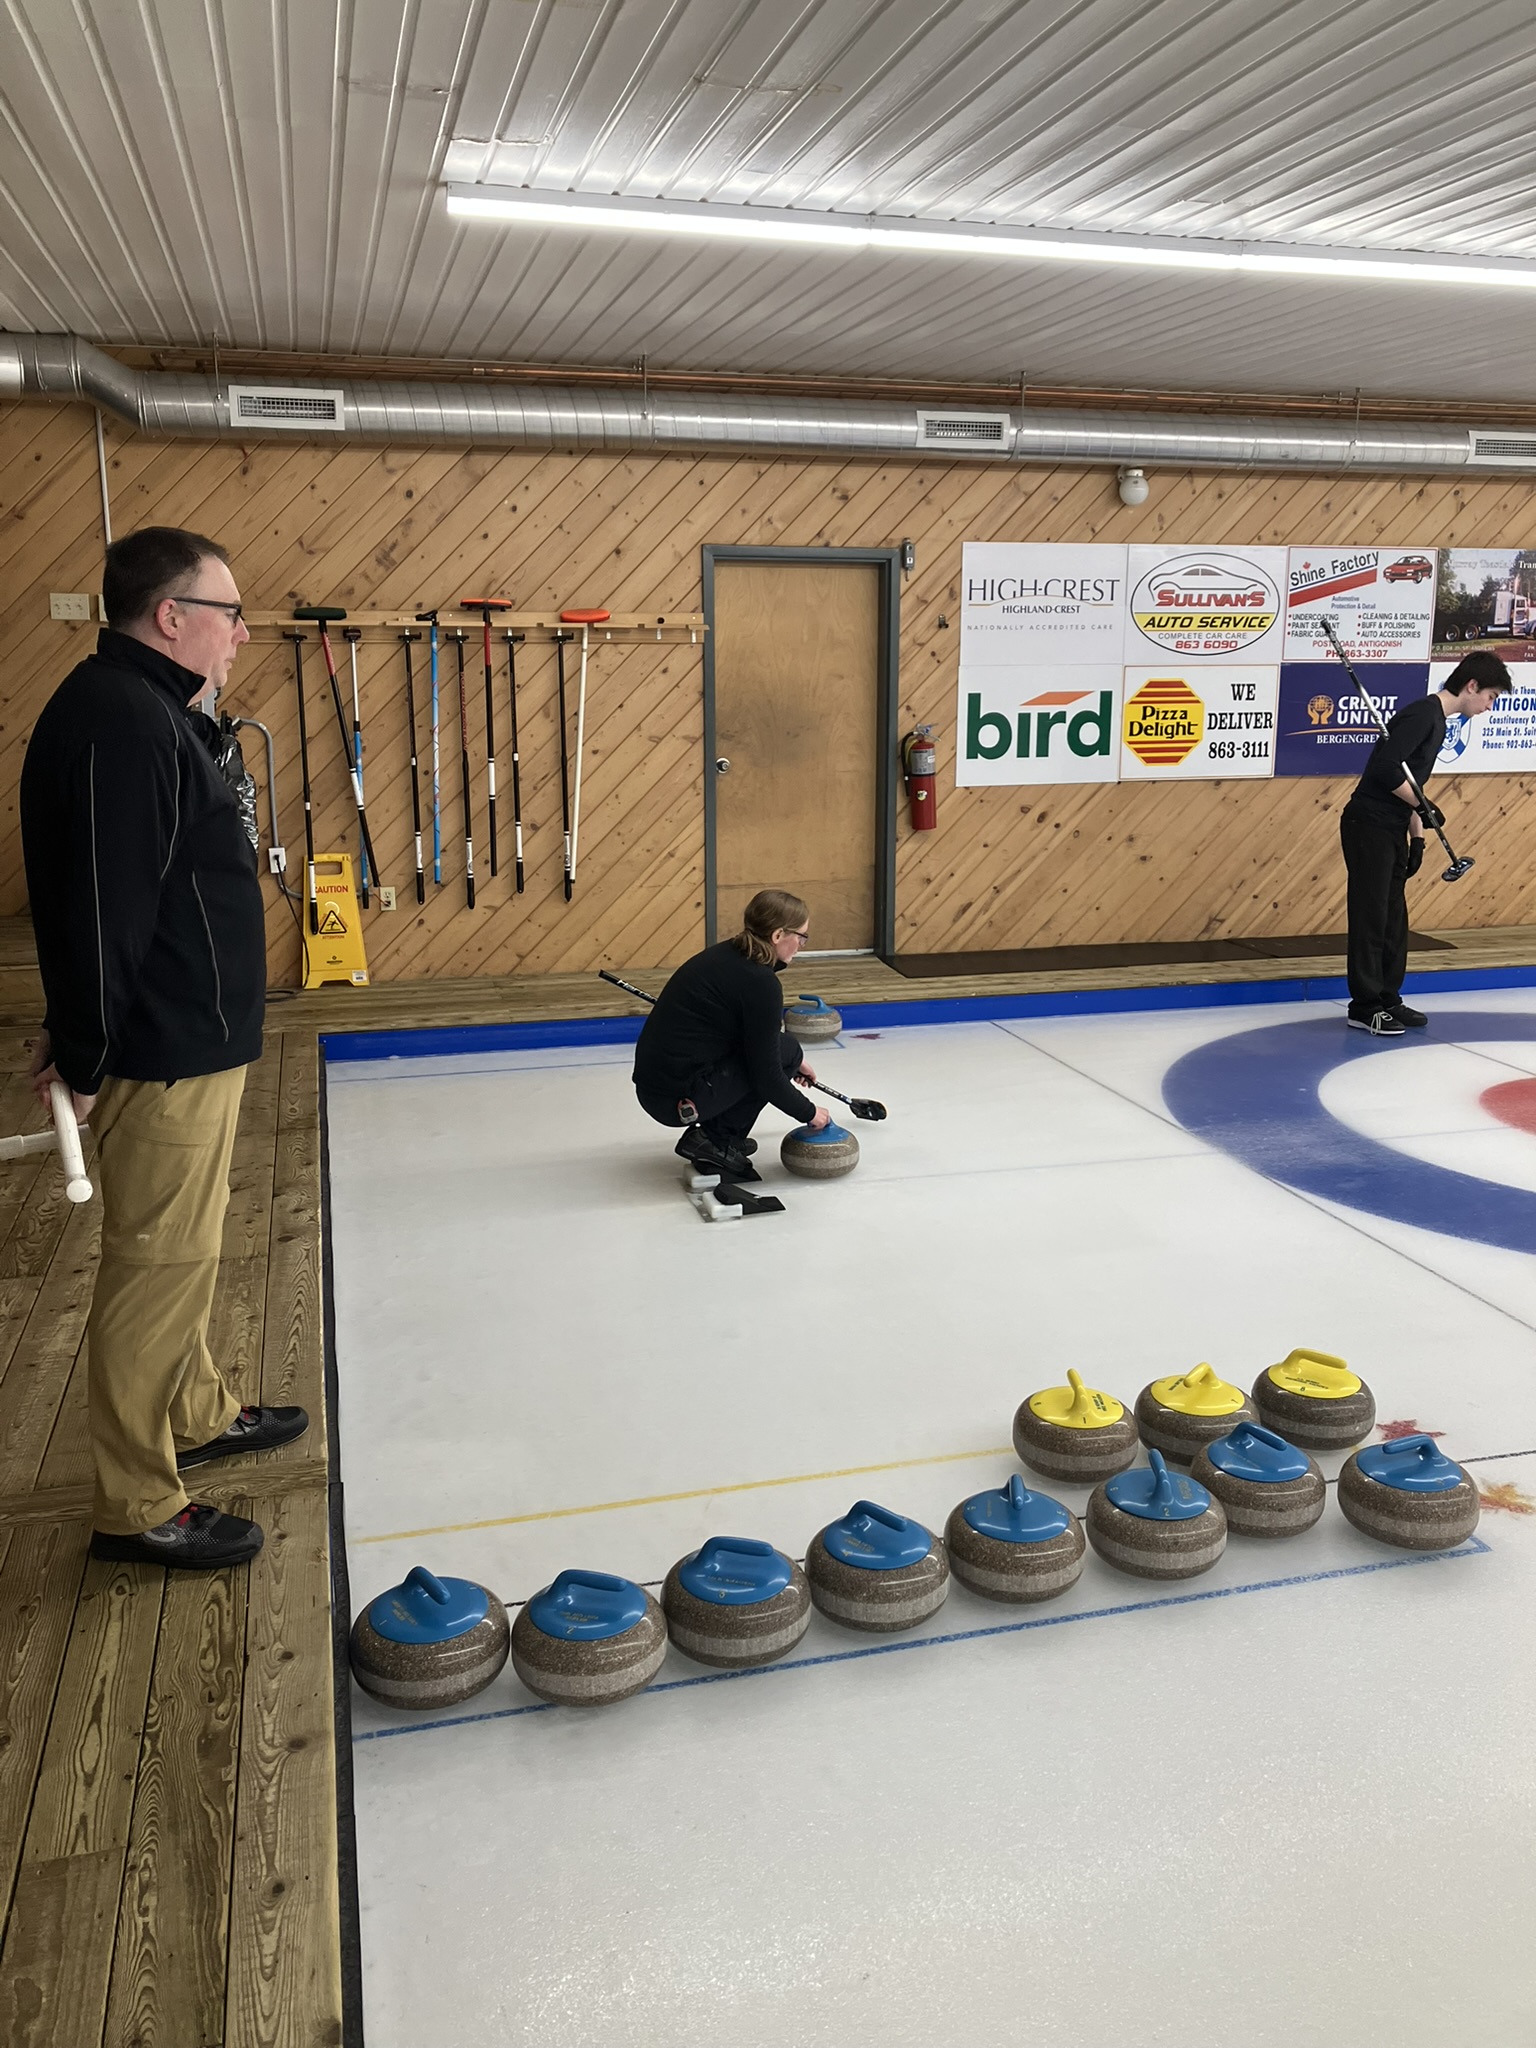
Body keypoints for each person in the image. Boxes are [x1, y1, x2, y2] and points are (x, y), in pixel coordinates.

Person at [20, 526, 307, 1571]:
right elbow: (103, 912)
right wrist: (86, 1057)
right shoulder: (121, 724)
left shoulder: (156, 713)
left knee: (184, 1260)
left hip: (197, 1040)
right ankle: (137, 1503)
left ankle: (193, 1409)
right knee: (154, 1269)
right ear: (171, 617)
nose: (241, 633)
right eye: (229, 613)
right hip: (162, 1051)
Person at [1341, 651, 1510, 1035]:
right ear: (1472, 686)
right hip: (1368, 824)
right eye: (1491, 696)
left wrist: (1418, 836)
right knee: (1372, 916)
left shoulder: (1438, 722)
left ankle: (1387, 997)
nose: (1489, 706)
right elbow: (1386, 772)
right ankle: (1364, 1006)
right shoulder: (1422, 715)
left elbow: (1411, 785)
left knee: (1394, 919)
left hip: (1393, 827)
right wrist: (1425, 806)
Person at [632, 889, 831, 1177]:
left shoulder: (726, 954)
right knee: (783, 1052)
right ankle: (716, 1142)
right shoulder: (760, 983)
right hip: (676, 1101)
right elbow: (767, 1077)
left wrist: (797, 1060)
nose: (801, 945)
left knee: (787, 1049)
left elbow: (750, 1038)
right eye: (801, 936)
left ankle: (717, 1137)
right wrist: (810, 1112)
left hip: (656, 1087)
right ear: (777, 935)